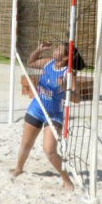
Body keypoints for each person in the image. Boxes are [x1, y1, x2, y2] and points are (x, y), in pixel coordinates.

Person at [11, 42, 85, 191]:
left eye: (59, 49)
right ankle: (18, 168)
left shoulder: (67, 73)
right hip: (36, 108)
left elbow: (77, 99)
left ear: (65, 58)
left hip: (54, 115)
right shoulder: (47, 62)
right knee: (26, 144)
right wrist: (38, 49)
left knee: (49, 151)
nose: (55, 49)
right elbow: (30, 63)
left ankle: (66, 180)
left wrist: (65, 88)